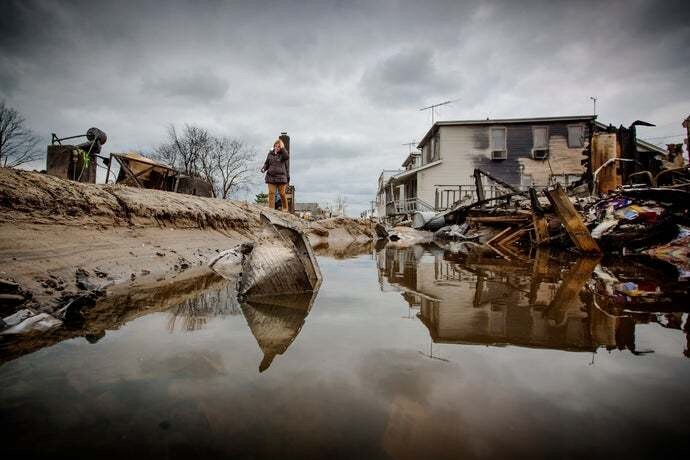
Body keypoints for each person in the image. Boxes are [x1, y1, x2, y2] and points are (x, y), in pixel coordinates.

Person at [261, 139, 290, 212]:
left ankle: (285, 209)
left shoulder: (283, 155)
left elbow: (287, 156)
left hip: (281, 177)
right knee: (271, 193)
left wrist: (282, 148)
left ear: (281, 147)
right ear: (273, 146)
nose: (277, 147)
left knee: (282, 194)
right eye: (275, 146)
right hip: (271, 176)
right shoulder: (270, 154)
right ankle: (271, 210)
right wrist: (264, 169)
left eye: (279, 146)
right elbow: (266, 163)